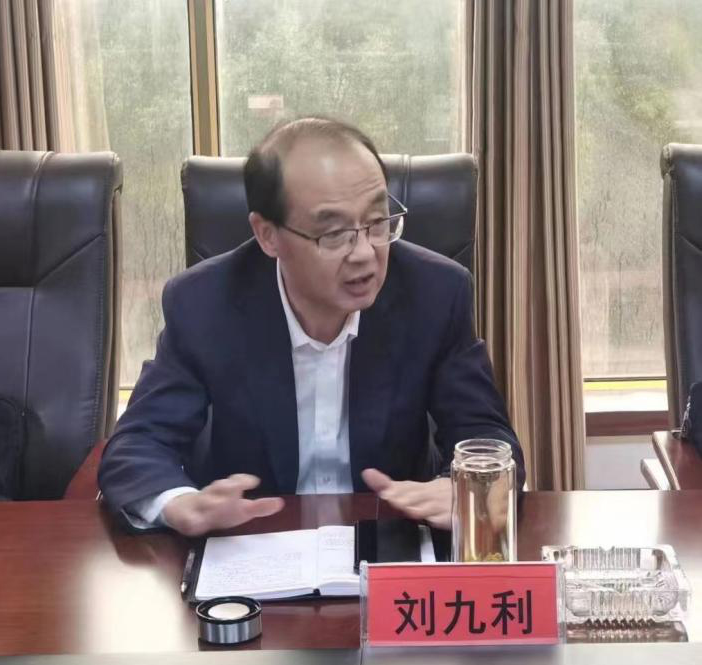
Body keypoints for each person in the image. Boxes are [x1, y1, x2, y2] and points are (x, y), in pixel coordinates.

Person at [98, 117, 524, 535]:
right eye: (334, 233)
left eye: (378, 222)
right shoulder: (204, 303)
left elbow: (487, 435)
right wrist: (179, 504)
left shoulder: (436, 293)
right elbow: (138, 445)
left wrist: (468, 489)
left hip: (389, 537)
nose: (365, 253)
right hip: (254, 541)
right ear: (268, 235)